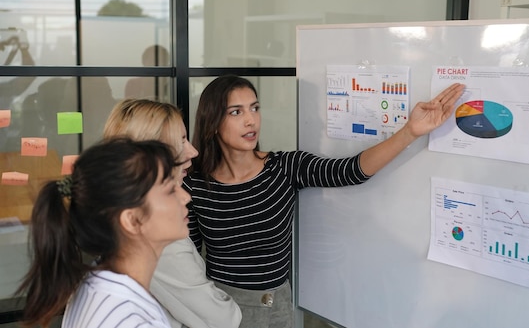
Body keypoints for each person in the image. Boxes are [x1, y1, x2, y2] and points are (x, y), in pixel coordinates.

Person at [183, 75, 465, 328]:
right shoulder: (193, 184)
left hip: (278, 305)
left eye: (254, 108)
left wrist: (410, 131)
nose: (251, 120)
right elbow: (188, 258)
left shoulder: (284, 166)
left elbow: (351, 170)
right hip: (221, 308)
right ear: (213, 122)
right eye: (236, 112)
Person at [16, 138, 190, 328]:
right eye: (170, 190)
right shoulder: (132, 322)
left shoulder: (96, 282)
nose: (185, 197)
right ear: (132, 220)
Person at [103, 98, 242, 328]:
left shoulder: (119, 209)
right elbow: (223, 319)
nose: (193, 151)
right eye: (181, 141)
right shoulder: (155, 232)